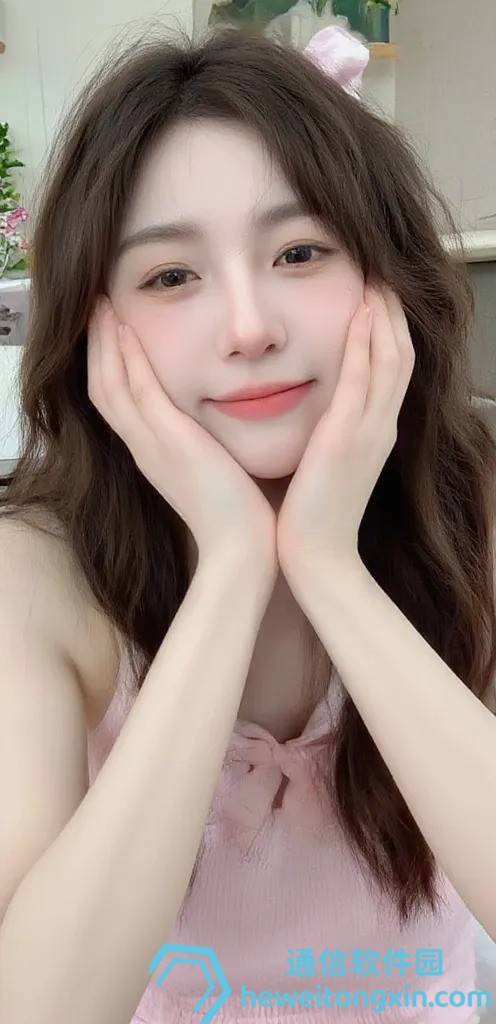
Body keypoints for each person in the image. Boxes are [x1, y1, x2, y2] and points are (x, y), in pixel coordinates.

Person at [0, 21, 495, 1024]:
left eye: (300, 251)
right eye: (170, 276)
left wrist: (328, 566)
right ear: (94, 325)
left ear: (388, 273)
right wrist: (231, 567)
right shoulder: (36, 573)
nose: (248, 327)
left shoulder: (475, 506)